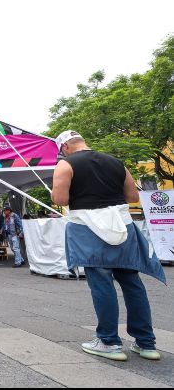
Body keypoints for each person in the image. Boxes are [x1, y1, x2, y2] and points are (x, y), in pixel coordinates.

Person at [51, 130, 166, 362]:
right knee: (132, 283)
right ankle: (146, 343)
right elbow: (133, 195)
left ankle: (109, 341)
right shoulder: (116, 162)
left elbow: (60, 199)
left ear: (64, 148)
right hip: (122, 226)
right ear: (82, 141)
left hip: (88, 229)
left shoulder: (65, 165)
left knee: (102, 284)